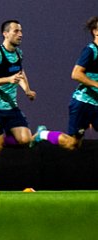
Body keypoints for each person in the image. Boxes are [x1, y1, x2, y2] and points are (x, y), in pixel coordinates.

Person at [0, 19, 37, 194]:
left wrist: (27, 90)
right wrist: (8, 79)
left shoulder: (19, 53)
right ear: (5, 34)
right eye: (16, 31)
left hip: (11, 107)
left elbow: (20, 73)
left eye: (21, 31)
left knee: (26, 140)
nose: (20, 34)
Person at [32, 16, 98, 152]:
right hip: (83, 103)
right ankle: (42, 134)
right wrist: (96, 85)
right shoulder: (91, 50)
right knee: (72, 144)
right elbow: (76, 74)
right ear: (95, 31)